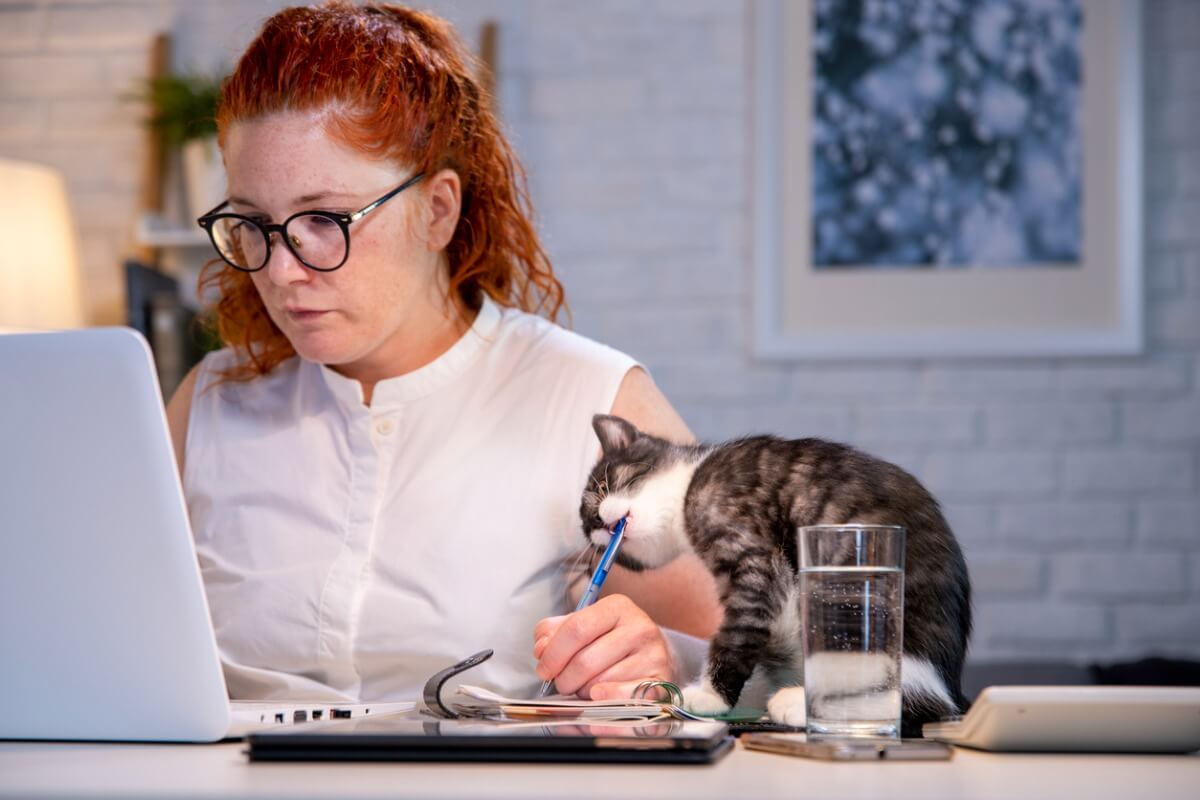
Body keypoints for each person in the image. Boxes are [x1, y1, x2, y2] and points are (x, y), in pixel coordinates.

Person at [165, 1, 721, 704]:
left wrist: (662, 654)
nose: (280, 271)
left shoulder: (593, 402)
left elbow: (772, 659)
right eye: (253, 224)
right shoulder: (209, 402)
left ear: (438, 209)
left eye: (323, 220)